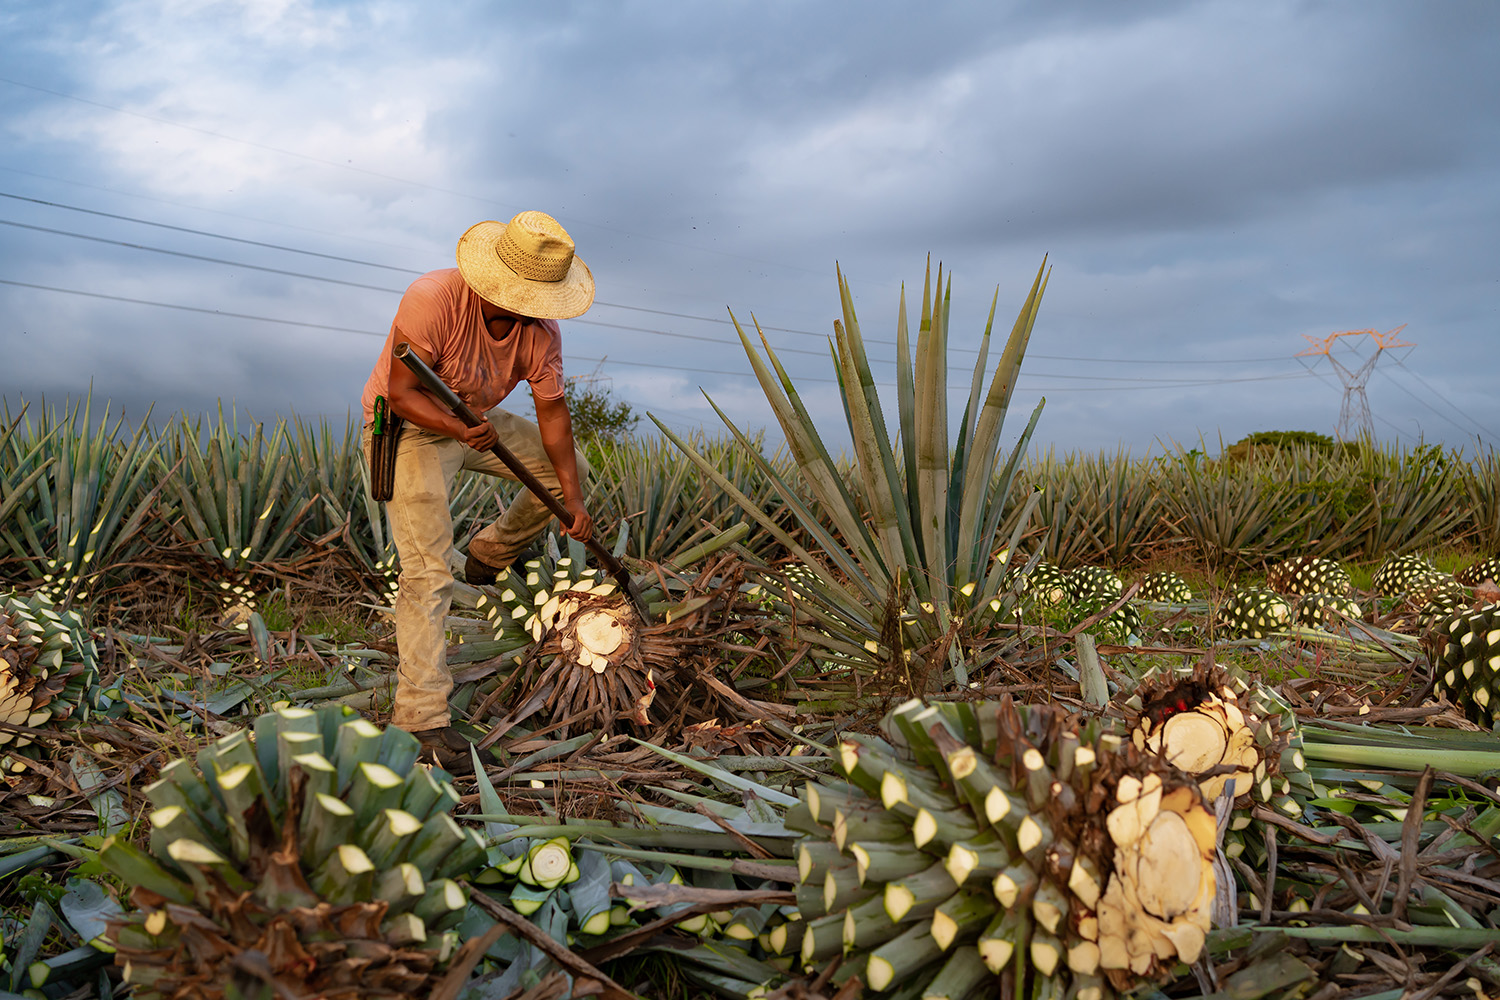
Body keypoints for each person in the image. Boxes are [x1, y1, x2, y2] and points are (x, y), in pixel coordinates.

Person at [360, 211, 596, 770]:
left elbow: (554, 418)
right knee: (425, 571)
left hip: (476, 422)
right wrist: (456, 427)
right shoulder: (433, 298)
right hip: (410, 426)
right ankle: (420, 721)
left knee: (570, 471)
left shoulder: (541, 334)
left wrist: (573, 501)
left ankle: (490, 552)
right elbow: (399, 390)